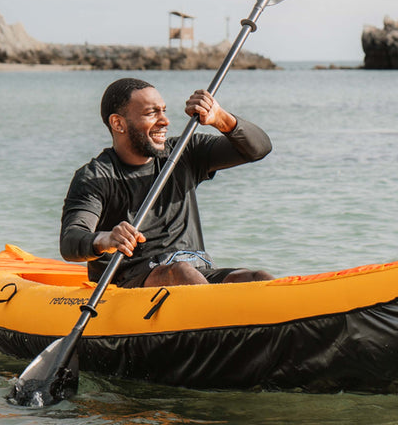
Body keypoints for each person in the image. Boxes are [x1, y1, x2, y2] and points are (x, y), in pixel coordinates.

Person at [59, 77, 274, 288]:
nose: (165, 121)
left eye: (163, 110)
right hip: (131, 282)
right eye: (151, 113)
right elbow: (71, 240)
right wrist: (105, 239)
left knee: (258, 278)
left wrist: (221, 118)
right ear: (118, 123)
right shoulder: (95, 177)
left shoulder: (184, 153)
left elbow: (259, 148)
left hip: (197, 272)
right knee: (180, 272)